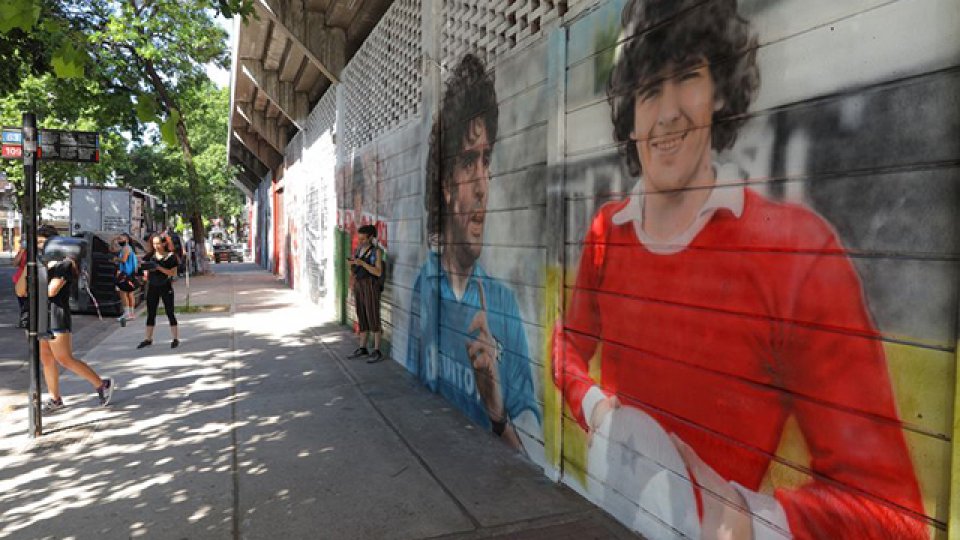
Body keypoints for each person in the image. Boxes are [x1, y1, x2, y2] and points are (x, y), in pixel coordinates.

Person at [553, 0, 925, 538]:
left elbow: (897, 515)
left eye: (688, 76)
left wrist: (752, 520)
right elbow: (566, 343)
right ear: (629, 112)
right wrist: (596, 409)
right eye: (649, 89)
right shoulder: (606, 232)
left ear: (720, 90)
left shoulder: (798, 253)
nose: (667, 112)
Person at [407, 53, 540, 451]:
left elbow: (532, 457)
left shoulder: (503, 305)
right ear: (446, 185)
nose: (483, 185)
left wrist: (497, 415)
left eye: (486, 160)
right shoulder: (424, 285)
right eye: (468, 162)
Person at [36, 225, 115, 414]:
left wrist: (39, 278)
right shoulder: (41, 263)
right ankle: (55, 398)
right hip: (42, 314)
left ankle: (102, 384)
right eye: (37, 243)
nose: (39, 247)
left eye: (42, 242)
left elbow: (51, 291)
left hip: (57, 315)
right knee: (46, 358)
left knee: (64, 358)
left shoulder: (65, 264)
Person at [347, 224, 384, 363]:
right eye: (359, 238)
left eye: (363, 239)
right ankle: (362, 347)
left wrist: (362, 264)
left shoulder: (376, 252)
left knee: (373, 315)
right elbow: (354, 270)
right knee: (361, 315)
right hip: (359, 285)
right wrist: (352, 266)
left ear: (371, 237)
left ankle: (377, 350)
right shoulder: (358, 250)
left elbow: (378, 272)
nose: (360, 241)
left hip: (370, 285)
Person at [137, 233, 180, 349]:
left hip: (165, 286)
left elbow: (173, 273)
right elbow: (143, 265)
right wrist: (144, 269)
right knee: (151, 313)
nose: (156, 246)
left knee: (169, 312)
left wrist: (158, 267)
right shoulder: (150, 256)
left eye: (158, 243)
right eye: (154, 244)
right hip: (152, 286)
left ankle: (175, 338)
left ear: (164, 243)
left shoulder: (171, 256)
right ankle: (148, 338)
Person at [112, 233, 138, 322]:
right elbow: (112, 249)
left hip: (125, 273)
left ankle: (127, 313)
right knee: (130, 293)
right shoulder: (127, 248)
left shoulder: (126, 248)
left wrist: (116, 259)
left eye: (120, 239)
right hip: (130, 273)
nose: (119, 240)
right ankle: (131, 313)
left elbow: (124, 259)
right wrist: (113, 240)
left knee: (123, 293)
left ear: (126, 239)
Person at [12, 241, 27, 328]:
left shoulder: (37, 251)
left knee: (29, 301)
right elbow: (15, 264)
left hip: (31, 279)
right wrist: (21, 251)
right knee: (22, 301)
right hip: (20, 279)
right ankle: (24, 320)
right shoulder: (22, 252)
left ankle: (27, 320)